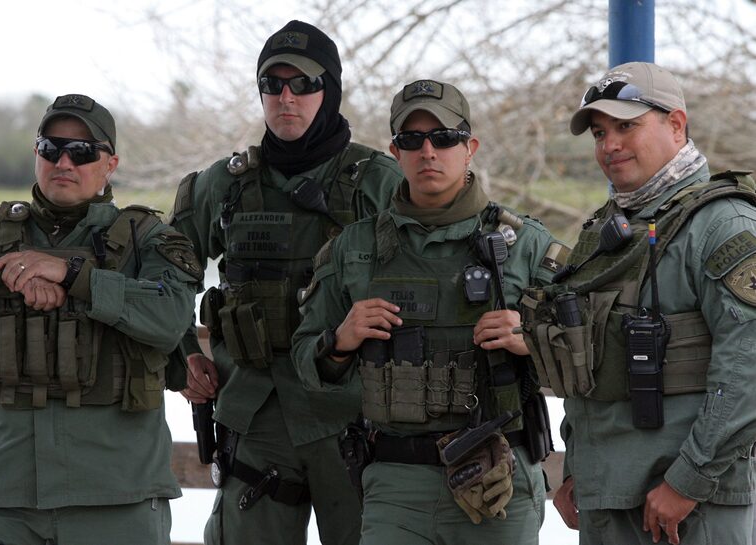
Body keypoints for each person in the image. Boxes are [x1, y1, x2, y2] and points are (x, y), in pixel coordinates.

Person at [291, 79, 570, 545]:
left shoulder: (526, 246)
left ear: (470, 147)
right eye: (411, 140)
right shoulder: (354, 249)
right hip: (395, 486)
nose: (428, 152)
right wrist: (340, 341)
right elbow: (305, 364)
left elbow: (585, 363)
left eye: (443, 138)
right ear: (394, 152)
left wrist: (533, 337)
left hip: (497, 480)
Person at [0, 93, 201, 545]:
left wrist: (75, 276)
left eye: (82, 151)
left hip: (116, 499)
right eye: (51, 148)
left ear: (110, 164)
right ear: (37, 154)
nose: (64, 162)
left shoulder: (147, 239)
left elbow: (170, 318)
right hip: (6, 499)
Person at [170, 20, 403, 545]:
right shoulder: (224, 186)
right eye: (271, 85)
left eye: (303, 83)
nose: (285, 98)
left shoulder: (379, 182)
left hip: (353, 419)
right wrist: (181, 353)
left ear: (331, 90)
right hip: (255, 419)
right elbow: (162, 277)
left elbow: (434, 274)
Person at [520, 62, 756, 545]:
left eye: (627, 125)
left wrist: (687, 481)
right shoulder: (606, 233)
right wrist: (577, 471)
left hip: (688, 508)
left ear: (675, 124)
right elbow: (592, 366)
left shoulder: (722, 224)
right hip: (607, 496)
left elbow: (748, 366)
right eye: (600, 132)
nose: (610, 145)